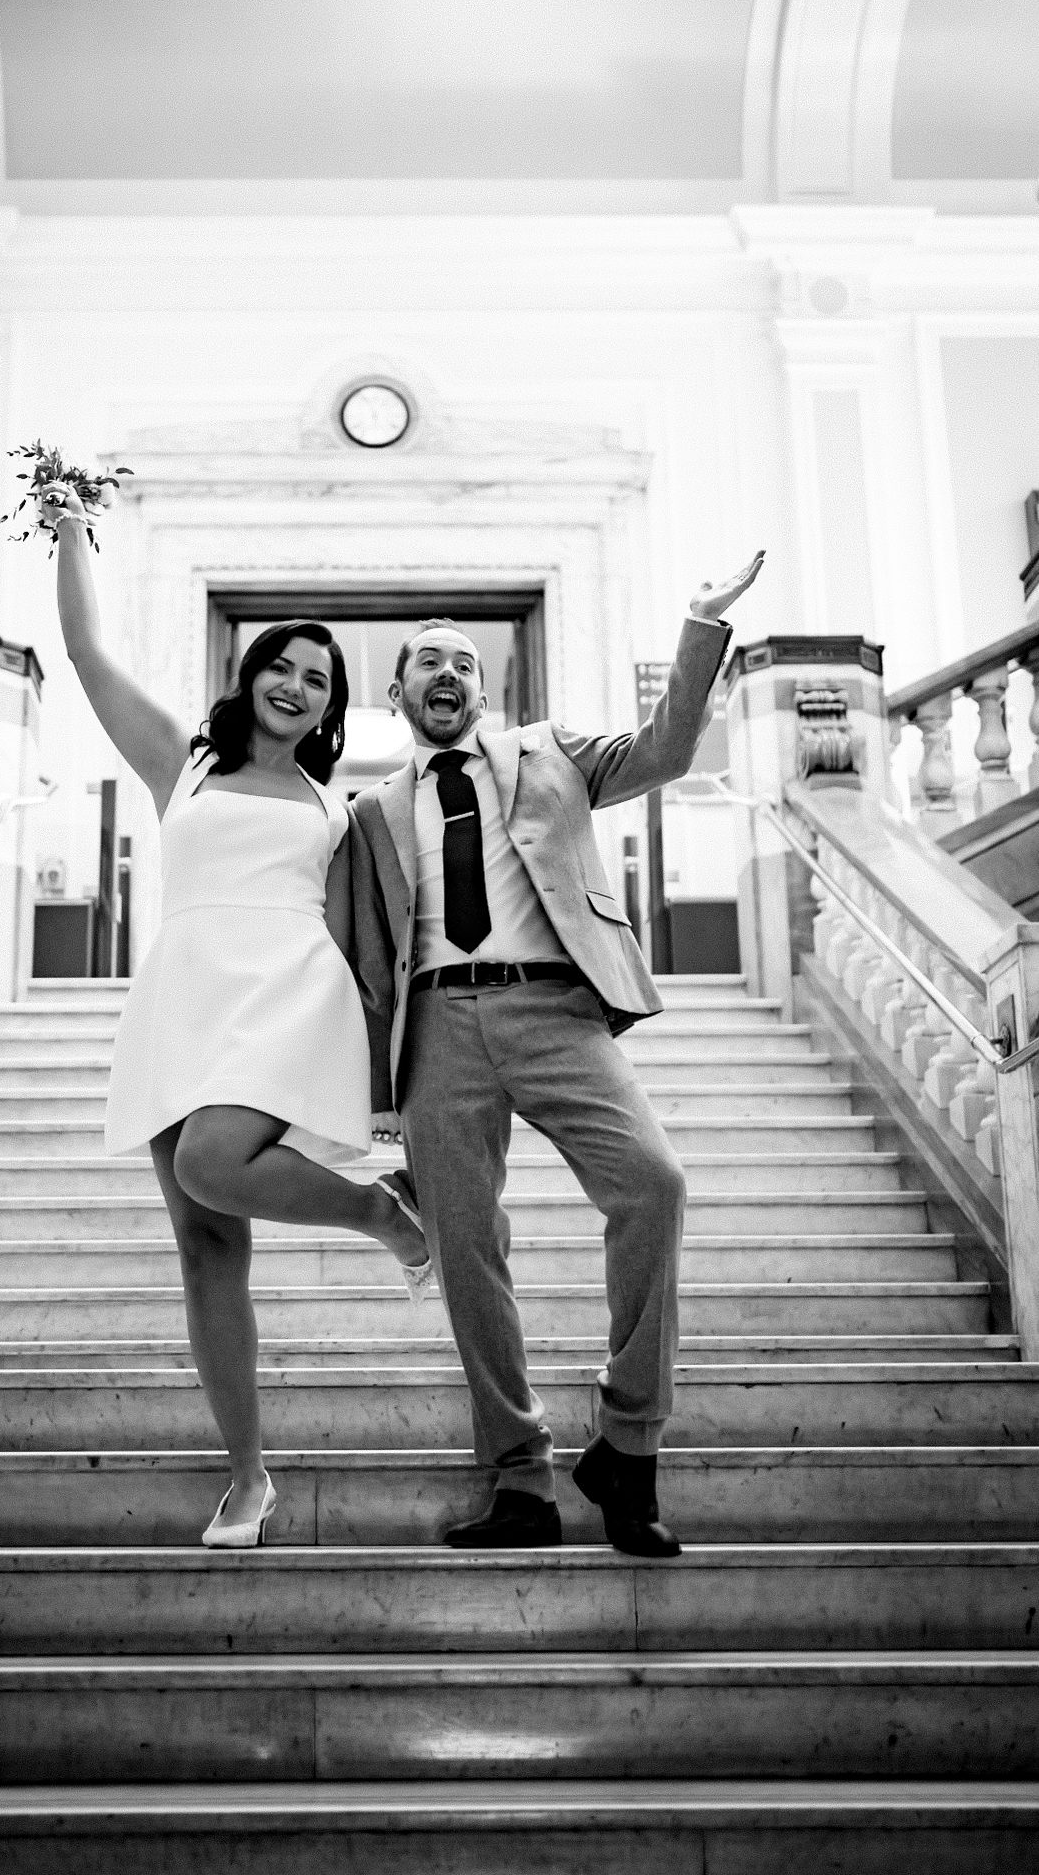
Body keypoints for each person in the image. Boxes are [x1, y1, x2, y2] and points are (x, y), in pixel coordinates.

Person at [350, 554, 765, 1557]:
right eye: (426, 662)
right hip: (436, 1028)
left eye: (463, 662)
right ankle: (519, 1479)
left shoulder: (552, 752)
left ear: (483, 692)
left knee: (653, 1184)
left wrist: (698, 623)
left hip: (556, 1009)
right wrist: (374, 1097)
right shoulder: (368, 812)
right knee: (464, 1248)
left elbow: (666, 750)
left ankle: (628, 1442)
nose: (447, 673)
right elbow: (364, 958)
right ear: (397, 693)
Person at [41, 484, 431, 1549]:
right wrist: (70, 525)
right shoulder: (185, 764)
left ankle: (380, 1215)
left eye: (318, 679)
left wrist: (391, 1071)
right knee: (206, 1248)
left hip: (288, 994)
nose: (295, 686)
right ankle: (248, 1477)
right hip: (184, 996)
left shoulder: (338, 807)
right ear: (250, 674)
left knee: (214, 1162)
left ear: (330, 708)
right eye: (282, 666)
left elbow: (374, 927)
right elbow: (84, 651)